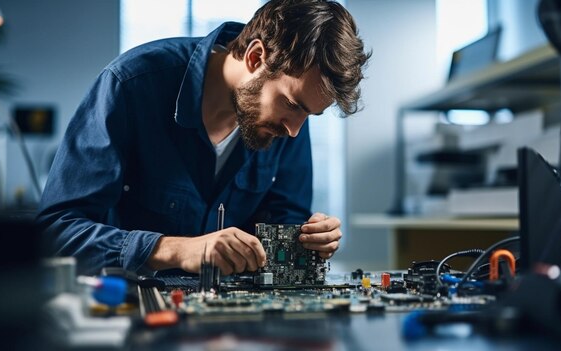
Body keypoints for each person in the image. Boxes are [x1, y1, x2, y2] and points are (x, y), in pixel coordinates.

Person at [37, 0, 370, 276]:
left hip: (238, 324)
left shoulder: (287, 114)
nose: (294, 130)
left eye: (309, 115)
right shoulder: (130, 85)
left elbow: (285, 227)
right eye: (293, 106)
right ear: (255, 58)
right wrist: (173, 249)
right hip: (131, 311)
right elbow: (57, 232)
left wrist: (311, 239)